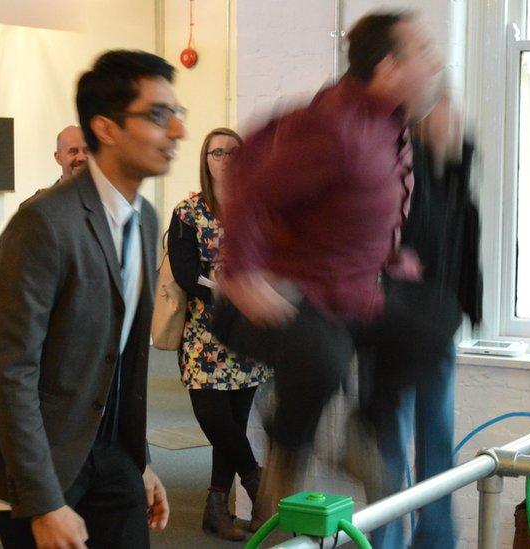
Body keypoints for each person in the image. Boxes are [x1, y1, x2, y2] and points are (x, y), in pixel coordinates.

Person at [214, 11, 446, 530]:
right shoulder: (335, 126)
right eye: (425, 54)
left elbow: (351, 208)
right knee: (325, 356)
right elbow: (251, 191)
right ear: (389, 66)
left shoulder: (391, 127)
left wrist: (390, 256)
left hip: (348, 294)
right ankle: (284, 461)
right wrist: (242, 271)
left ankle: (362, 431)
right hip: (279, 294)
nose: (437, 65)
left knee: (434, 319)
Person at [0, 49, 184, 548]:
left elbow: (122, 360)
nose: (177, 132)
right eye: (159, 116)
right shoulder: (43, 223)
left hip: (111, 448)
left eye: (176, 115)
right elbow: (11, 369)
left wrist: (139, 460)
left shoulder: (144, 219)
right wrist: (43, 500)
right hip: (39, 457)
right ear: (106, 128)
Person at [365, 89, 480, 549]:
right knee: (389, 448)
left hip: (436, 331)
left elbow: (459, 253)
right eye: (445, 114)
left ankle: (435, 541)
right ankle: (389, 541)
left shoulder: (454, 177)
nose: (455, 124)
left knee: (437, 443)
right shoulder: (399, 171)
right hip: (391, 329)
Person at [167, 128, 270, 540]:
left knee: (234, 426)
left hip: (248, 337)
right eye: (217, 152)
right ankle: (256, 479)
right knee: (216, 421)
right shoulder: (189, 210)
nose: (227, 159)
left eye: (234, 152)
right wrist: (224, 289)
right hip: (205, 336)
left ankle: (215, 509)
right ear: (205, 160)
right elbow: (184, 270)